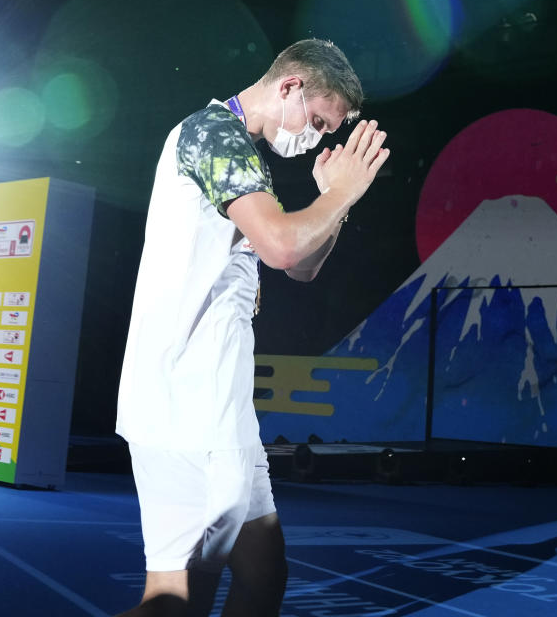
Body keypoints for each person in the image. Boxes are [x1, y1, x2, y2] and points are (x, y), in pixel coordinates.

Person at [115, 38, 390, 616]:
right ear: (289, 85)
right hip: (191, 400)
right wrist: (344, 190)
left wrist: (332, 201)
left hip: (205, 399)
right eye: (317, 121)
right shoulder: (216, 134)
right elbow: (284, 247)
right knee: (179, 601)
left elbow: (303, 265)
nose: (316, 138)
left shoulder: (236, 148)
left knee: (257, 577)